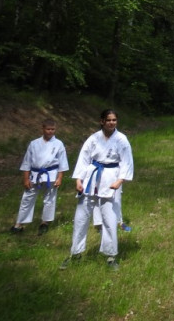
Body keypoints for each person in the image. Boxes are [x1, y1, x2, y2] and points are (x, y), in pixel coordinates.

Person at [60, 109, 133, 270]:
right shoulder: (93, 138)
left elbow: (127, 161)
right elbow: (83, 158)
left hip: (111, 178)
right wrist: (78, 179)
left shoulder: (121, 139)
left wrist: (120, 180)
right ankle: (75, 253)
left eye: (114, 120)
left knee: (110, 218)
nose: (112, 123)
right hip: (91, 178)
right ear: (102, 121)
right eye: (109, 120)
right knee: (81, 217)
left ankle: (110, 256)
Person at [10, 118, 69, 235]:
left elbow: (62, 163)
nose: (50, 131)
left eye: (53, 129)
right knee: (27, 198)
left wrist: (59, 178)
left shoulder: (58, 144)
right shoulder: (34, 143)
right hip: (35, 174)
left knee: (49, 199)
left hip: (51, 174)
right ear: (43, 129)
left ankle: (45, 223)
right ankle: (19, 224)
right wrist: (26, 178)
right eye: (48, 129)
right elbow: (27, 162)